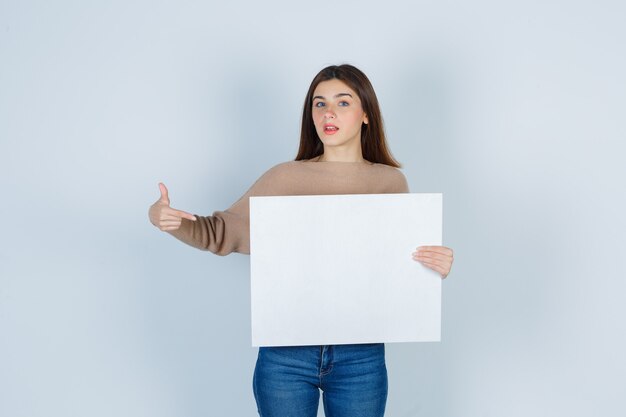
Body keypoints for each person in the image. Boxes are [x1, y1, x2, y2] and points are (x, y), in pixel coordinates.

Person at [148, 64, 454, 417]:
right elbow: (221, 233)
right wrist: (169, 221)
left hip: (361, 357)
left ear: (366, 113)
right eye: (319, 104)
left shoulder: (390, 183)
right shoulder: (284, 177)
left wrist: (436, 268)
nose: (328, 113)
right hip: (286, 357)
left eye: (342, 102)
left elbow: (402, 266)